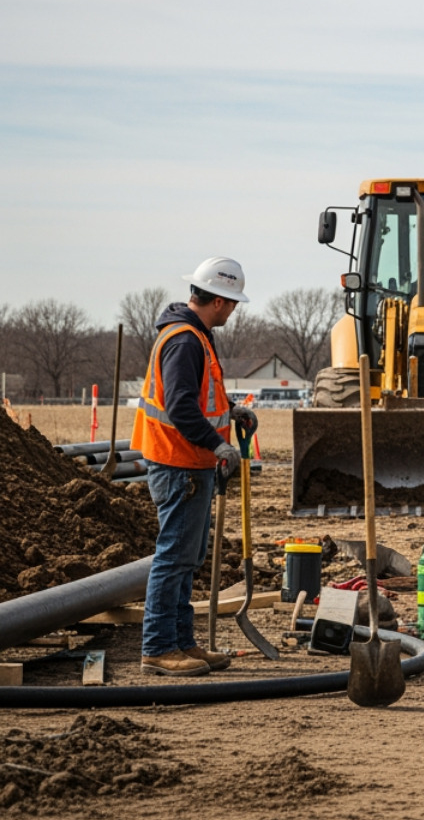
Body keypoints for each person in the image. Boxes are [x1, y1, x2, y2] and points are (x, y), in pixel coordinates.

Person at [132, 257, 258, 677]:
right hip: (178, 463)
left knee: (187, 558)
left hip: (188, 462)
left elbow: (201, 396)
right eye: (233, 303)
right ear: (218, 301)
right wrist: (217, 444)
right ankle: (158, 647)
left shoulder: (195, 336)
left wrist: (231, 410)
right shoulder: (185, 340)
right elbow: (181, 406)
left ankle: (182, 641)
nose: (234, 310)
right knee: (173, 558)